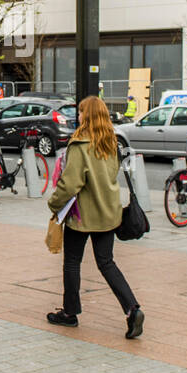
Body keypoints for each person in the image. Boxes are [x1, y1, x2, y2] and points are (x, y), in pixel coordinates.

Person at [46, 96, 144, 339]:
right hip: (108, 214)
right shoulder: (110, 142)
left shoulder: (80, 144)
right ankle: (132, 308)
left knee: (72, 262)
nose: (78, 116)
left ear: (87, 116)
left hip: (82, 216)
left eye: (80, 112)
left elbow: (71, 184)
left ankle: (70, 313)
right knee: (106, 262)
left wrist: (54, 203)